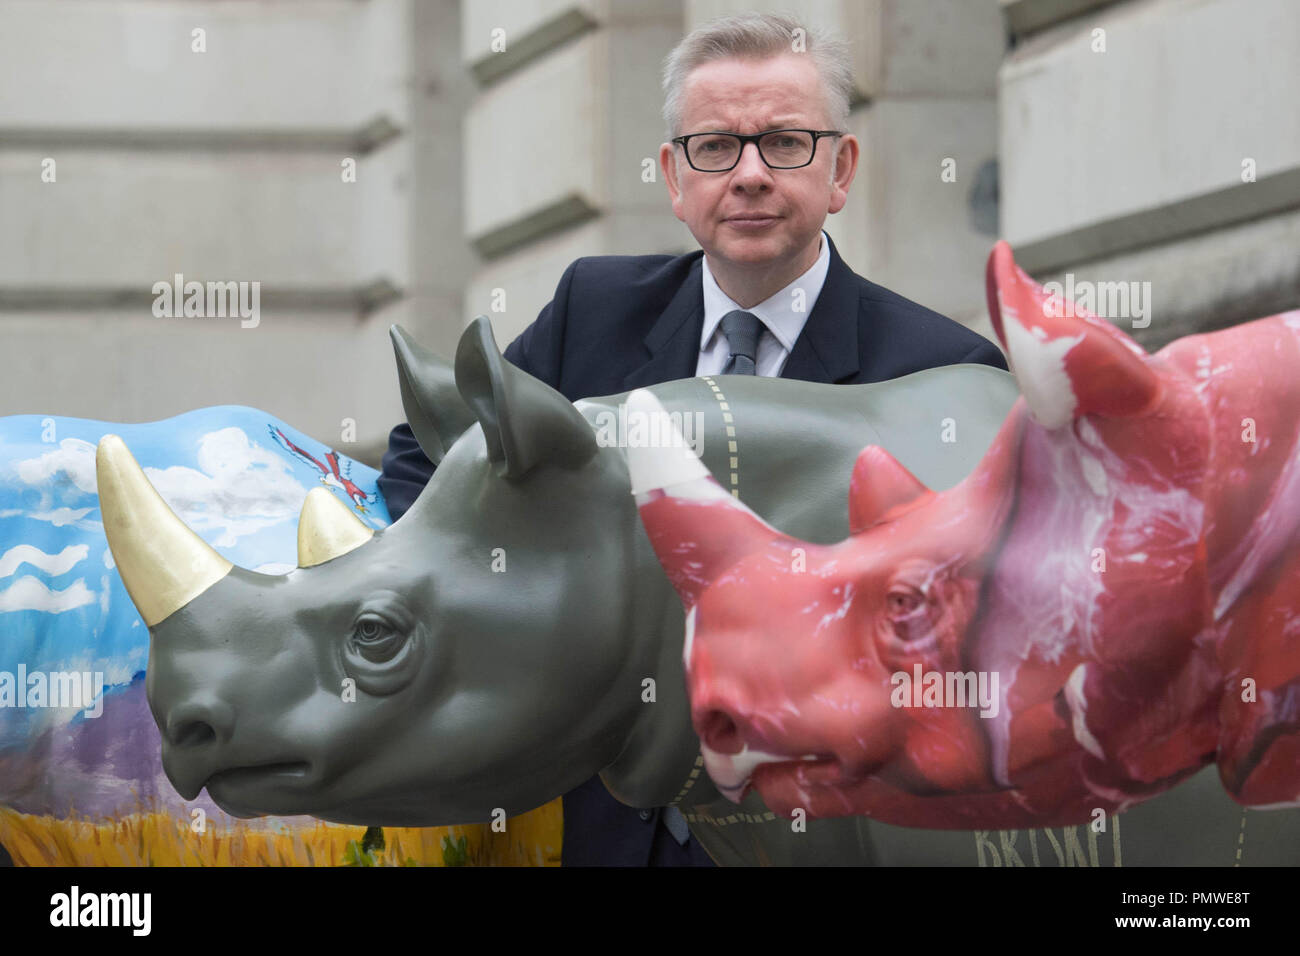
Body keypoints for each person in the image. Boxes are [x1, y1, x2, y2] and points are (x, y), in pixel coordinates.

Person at [378, 12, 1007, 866]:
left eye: (785, 142)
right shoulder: (590, 316)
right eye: (715, 147)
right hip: (605, 833)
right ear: (674, 178)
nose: (749, 175)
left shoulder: (943, 374)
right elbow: (431, 453)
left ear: (842, 169)